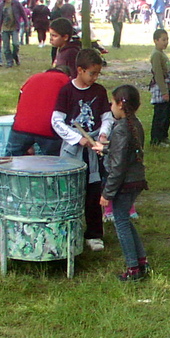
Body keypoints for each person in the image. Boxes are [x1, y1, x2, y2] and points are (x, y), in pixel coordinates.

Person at [53, 49, 113, 252]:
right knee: (71, 191)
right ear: (80, 70)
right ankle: (69, 230)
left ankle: (94, 233)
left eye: (98, 74)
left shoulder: (99, 91)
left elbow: (107, 116)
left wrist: (103, 135)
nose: (95, 77)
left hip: (94, 149)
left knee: (94, 191)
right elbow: (57, 121)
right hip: (73, 150)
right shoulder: (66, 91)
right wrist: (77, 139)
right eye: (92, 73)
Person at [91, 85, 149, 280]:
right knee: (124, 219)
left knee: (121, 224)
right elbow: (123, 154)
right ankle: (142, 263)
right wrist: (105, 150)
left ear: (120, 104)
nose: (110, 106)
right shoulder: (134, 123)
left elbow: (118, 167)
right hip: (135, 179)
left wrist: (107, 193)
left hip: (125, 183)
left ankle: (133, 269)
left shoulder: (122, 128)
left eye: (112, 102)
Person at [5, 68, 71, 157]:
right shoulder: (66, 81)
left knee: (9, 161)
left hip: (21, 126)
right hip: (48, 129)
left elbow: (20, 103)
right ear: (69, 75)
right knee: (53, 163)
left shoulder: (32, 78)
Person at [149, 29, 170, 147]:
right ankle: (156, 139)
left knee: (167, 114)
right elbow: (158, 74)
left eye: (167, 40)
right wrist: (164, 92)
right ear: (156, 40)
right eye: (163, 40)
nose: (166, 42)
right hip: (162, 88)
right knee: (160, 115)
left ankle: (164, 136)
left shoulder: (161, 53)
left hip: (169, 87)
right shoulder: (156, 54)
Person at [0, 0, 27, 68]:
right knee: (6, 47)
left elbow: (23, 14)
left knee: (15, 44)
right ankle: (9, 61)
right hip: (5, 28)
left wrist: (26, 24)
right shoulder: (1, 5)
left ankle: (15, 56)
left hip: (14, 27)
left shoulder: (16, 3)